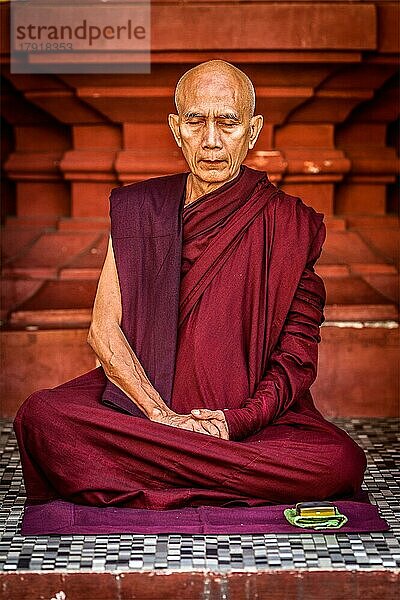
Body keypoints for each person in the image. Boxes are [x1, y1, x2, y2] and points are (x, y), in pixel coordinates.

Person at [14, 60, 367, 510]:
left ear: (253, 130)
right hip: (144, 411)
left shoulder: (289, 224)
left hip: (246, 423)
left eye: (228, 122)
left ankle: (155, 472)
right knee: (42, 416)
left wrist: (233, 423)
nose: (212, 141)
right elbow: (103, 332)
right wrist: (161, 418)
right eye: (196, 122)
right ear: (176, 127)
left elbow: (296, 357)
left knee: (339, 461)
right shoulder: (141, 208)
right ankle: (214, 473)